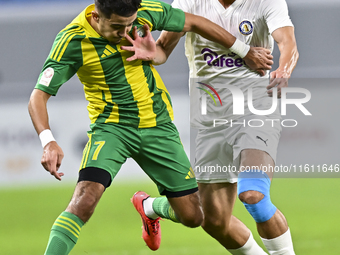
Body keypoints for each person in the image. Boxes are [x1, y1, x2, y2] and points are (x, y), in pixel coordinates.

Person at [28, 0, 273, 254]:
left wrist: (244, 51)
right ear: (96, 16)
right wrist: (48, 140)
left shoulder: (145, 11)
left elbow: (194, 21)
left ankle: (149, 208)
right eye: (116, 26)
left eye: (130, 24)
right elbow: (38, 96)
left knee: (194, 216)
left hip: (158, 126)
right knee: (85, 200)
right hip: (112, 129)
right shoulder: (72, 41)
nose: (125, 33)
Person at [126, 0, 299, 254]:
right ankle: (150, 206)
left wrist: (283, 69)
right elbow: (163, 49)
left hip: (255, 107)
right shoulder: (189, 2)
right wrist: (152, 53)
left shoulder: (266, 1)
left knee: (254, 195)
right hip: (210, 117)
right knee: (214, 221)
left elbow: (288, 42)